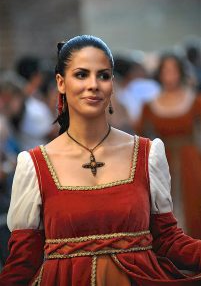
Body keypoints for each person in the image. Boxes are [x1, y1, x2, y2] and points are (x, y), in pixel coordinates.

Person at [0, 35, 201, 286]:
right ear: (61, 83)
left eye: (103, 75)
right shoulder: (34, 164)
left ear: (112, 84)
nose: (93, 84)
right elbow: (23, 261)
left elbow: (168, 240)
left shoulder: (147, 154)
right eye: (81, 75)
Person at [136, 52, 201, 239]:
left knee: (193, 203)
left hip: (191, 160)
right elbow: (141, 134)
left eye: (173, 70)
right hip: (163, 161)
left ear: (180, 72)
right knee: (164, 206)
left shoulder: (194, 101)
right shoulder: (150, 105)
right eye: (166, 70)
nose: (170, 75)